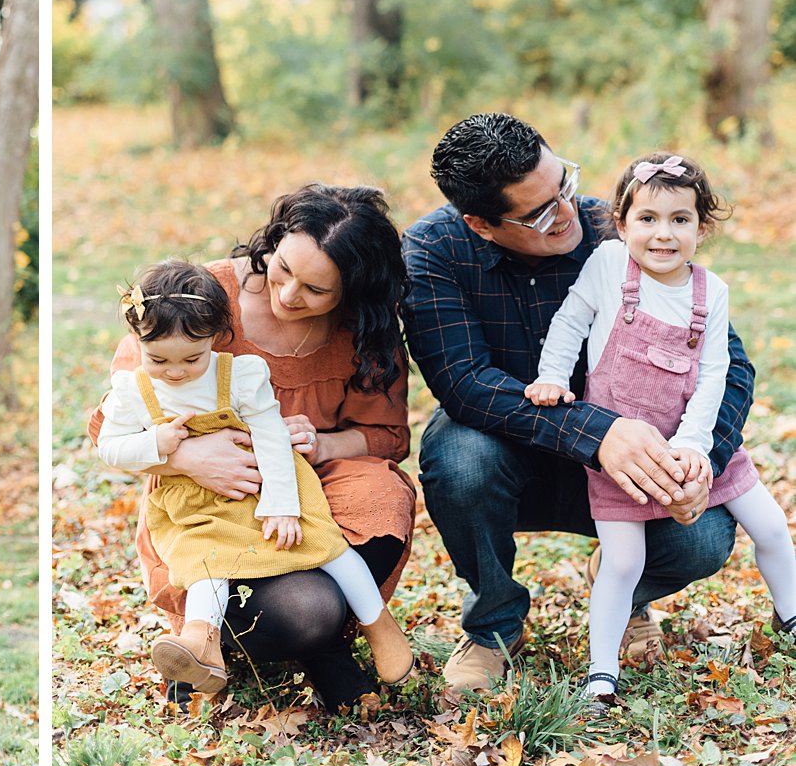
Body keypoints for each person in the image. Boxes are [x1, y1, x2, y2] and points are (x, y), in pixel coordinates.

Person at [404, 113, 754, 696]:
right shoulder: (434, 251)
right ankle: (494, 626)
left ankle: (624, 586)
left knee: (704, 537)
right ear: (481, 224)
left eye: (563, 182)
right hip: (508, 451)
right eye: (539, 212)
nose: (567, 212)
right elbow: (465, 382)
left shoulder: (624, 224)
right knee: (459, 459)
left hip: (634, 461)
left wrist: (704, 456)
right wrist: (599, 433)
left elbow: (729, 365)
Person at [87, 185, 417, 709]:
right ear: (274, 241)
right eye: (282, 269)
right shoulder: (195, 300)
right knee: (301, 605)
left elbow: (387, 436)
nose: (288, 295)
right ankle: (228, 638)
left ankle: (330, 636)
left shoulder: (362, 329)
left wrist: (322, 443)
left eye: (316, 290)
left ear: (353, 292)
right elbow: (115, 421)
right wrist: (188, 457)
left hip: (307, 477)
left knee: (383, 498)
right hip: (207, 492)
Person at [524, 151, 796, 701]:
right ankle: (602, 673)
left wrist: (696, 443)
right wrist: (552, 375)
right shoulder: (606, 266)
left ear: (702, 227)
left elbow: (716, 373)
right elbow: (570, 322)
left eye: (680, 220)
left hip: (688, 444)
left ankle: (791, 615)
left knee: (769, 526)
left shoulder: (709, 292)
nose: (663, 234)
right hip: (621, 452)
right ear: (622, 223)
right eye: (647, 219)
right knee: (624, 561)